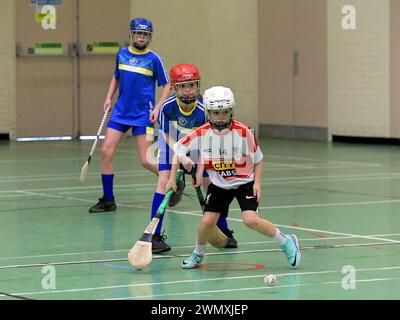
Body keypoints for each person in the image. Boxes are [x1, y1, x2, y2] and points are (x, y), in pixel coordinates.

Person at [168, 86, 301, 269]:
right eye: (216, 113)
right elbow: (178, 150)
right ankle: (198, 254)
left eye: (224, 112)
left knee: (250, 220)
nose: (220, 117)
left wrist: (258, 184)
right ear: (208, 112)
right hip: (219, 185)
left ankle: (286, 242)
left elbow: (259, 160)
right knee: (207, 222)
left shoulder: (244, 132)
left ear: (231, 111)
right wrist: (176, 176)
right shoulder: (202, 132)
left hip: (244, 182)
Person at [151, 64, 237, 253]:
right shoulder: (167, 106)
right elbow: (166, 134)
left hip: (200, 145)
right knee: (164, 181)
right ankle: (154, 236)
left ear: (198, 85)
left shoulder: (204, 108)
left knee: (212, 183)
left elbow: (208, 139)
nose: (188, 89)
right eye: (183, 86)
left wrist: (199, 170)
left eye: (191, 85)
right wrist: (180, 154)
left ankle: (223, 229)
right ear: (174, 87)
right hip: (172, 142)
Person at [89, 18, 171, 213]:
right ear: (131, 34)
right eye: (138, 33)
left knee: (146, 160)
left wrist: (158, 107)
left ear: (149, 37)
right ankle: (108, 199)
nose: (141, 37)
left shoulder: (154, 59)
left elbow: (167, 84)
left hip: (144, 115)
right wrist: (108, 98)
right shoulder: (122, 55)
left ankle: (171, 181)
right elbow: (116, 77)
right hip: (120, 112)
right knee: (106, 152)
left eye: (145, 34)